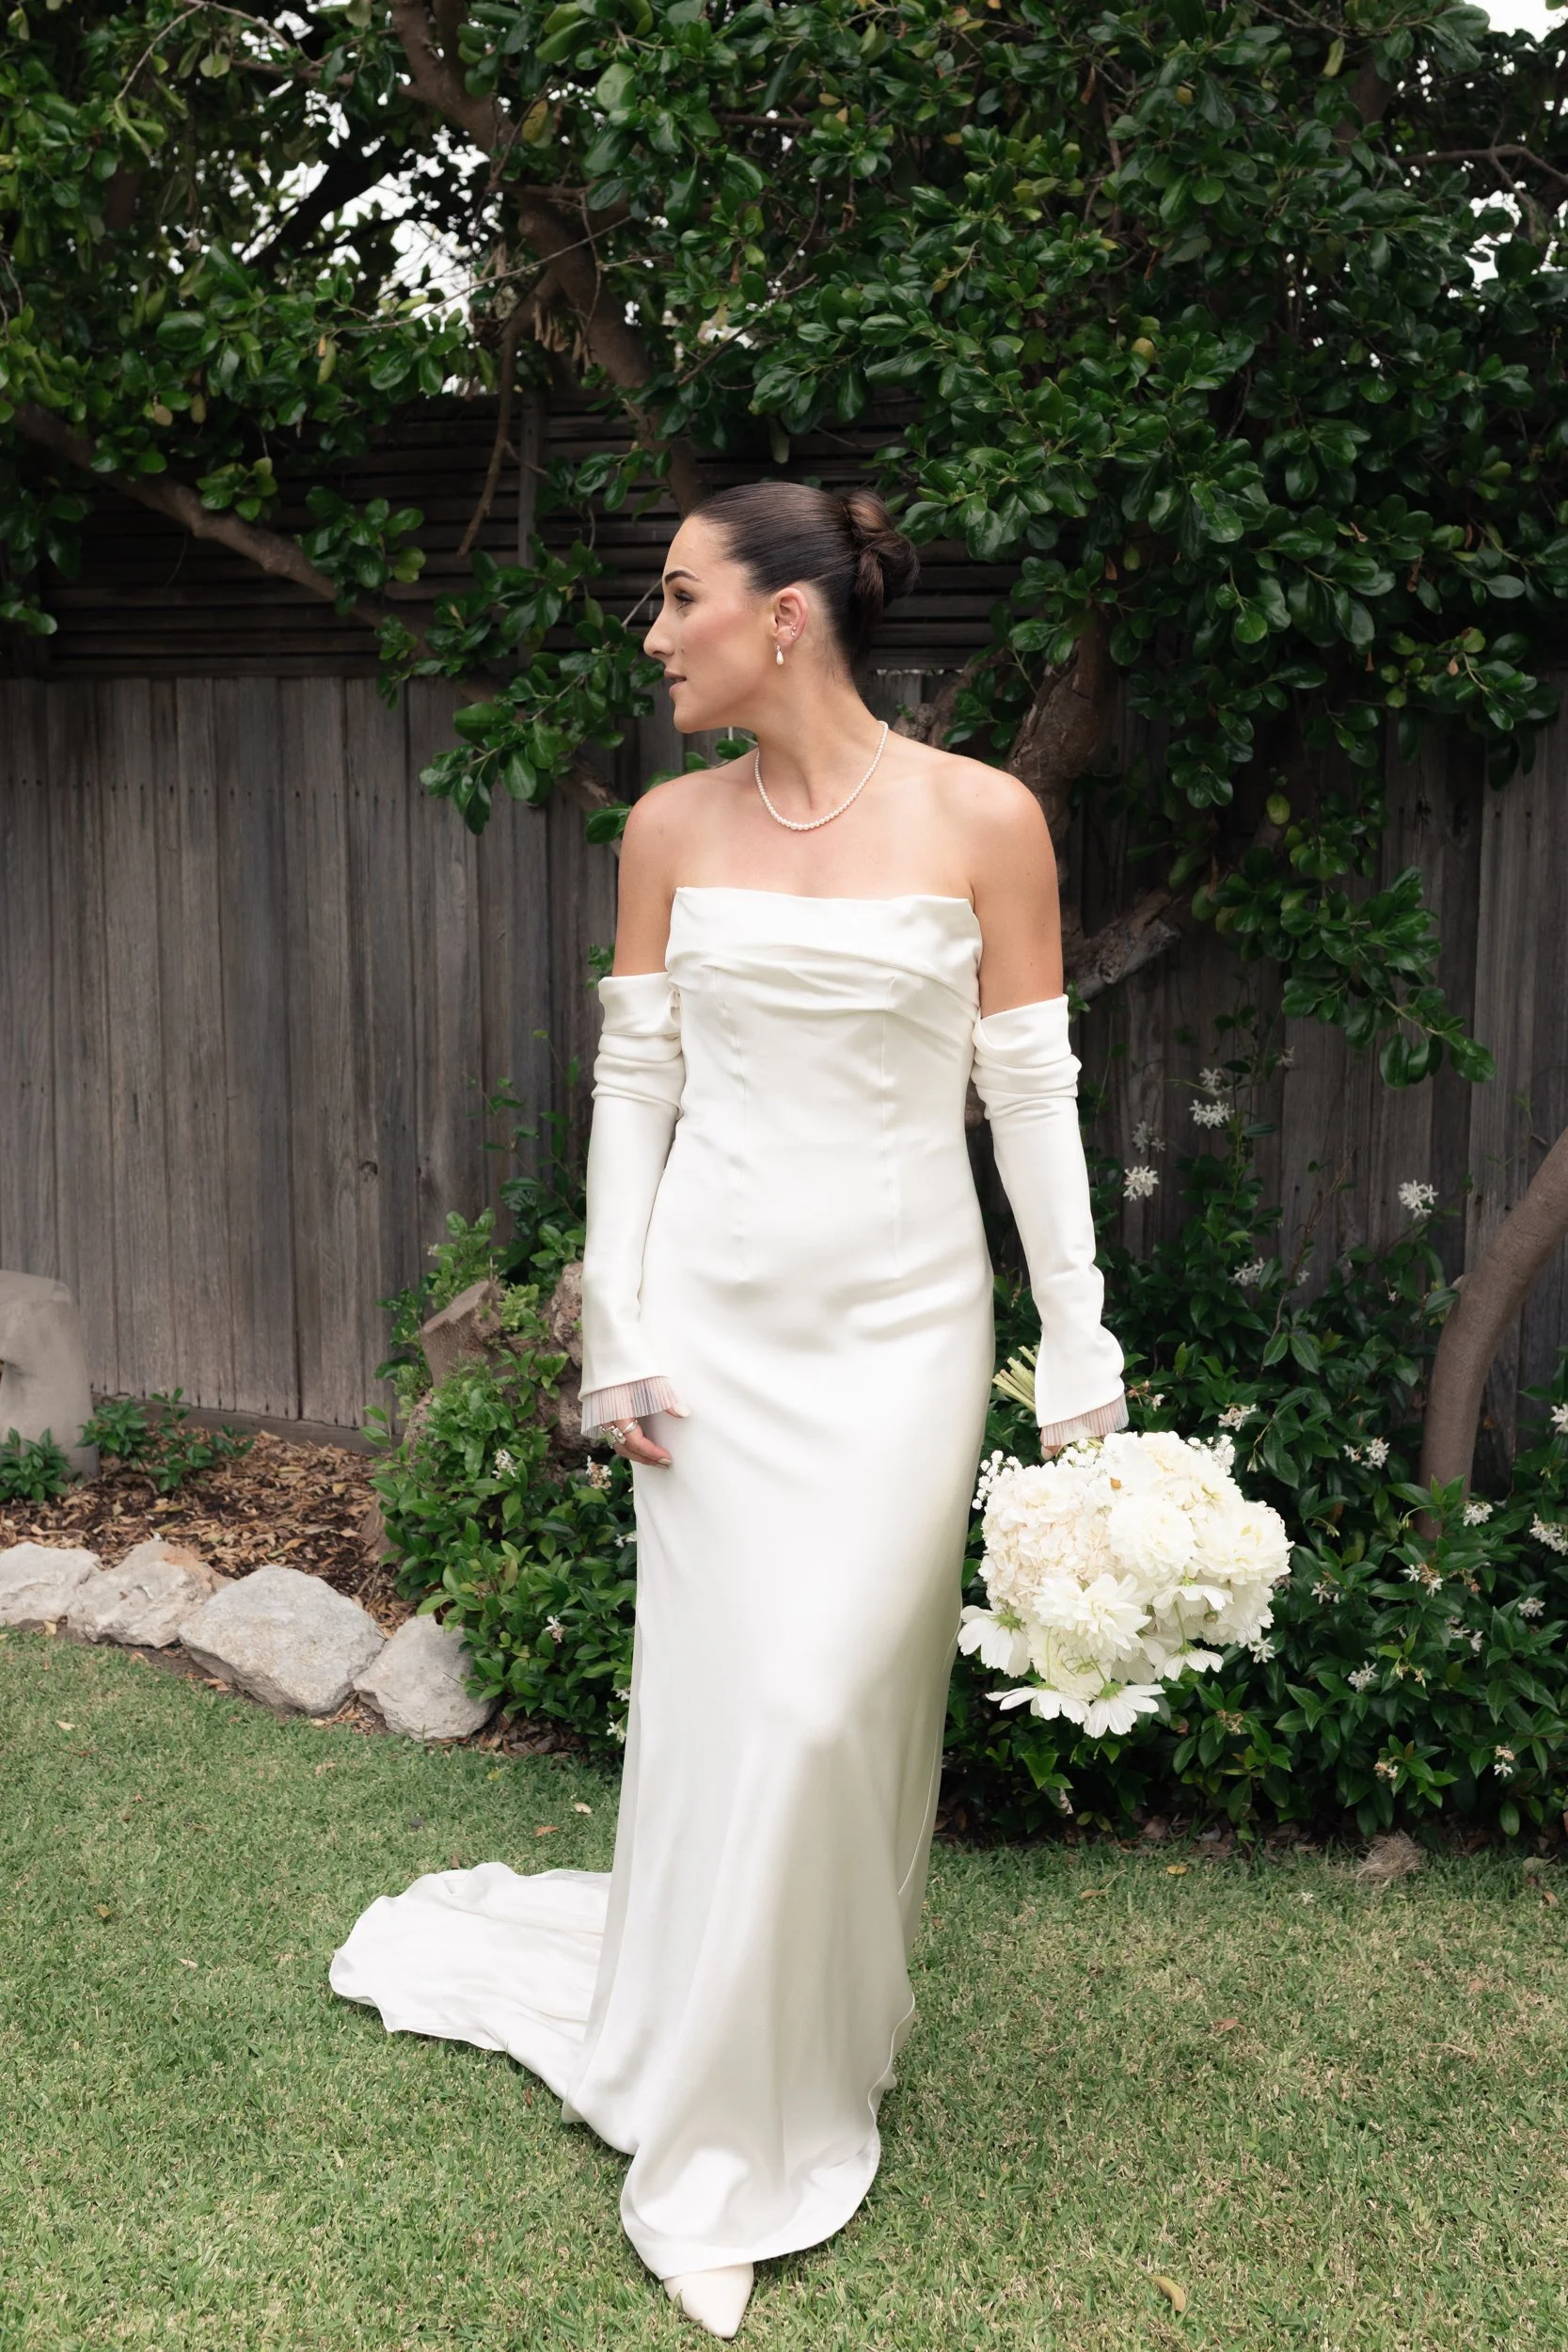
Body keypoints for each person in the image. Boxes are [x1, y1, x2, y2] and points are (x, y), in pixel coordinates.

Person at [330, 481, 1126, 2339]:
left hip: (906, 1331)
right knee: (734, 1705)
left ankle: (818, 2036)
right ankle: (712, 2134)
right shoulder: (666, 825)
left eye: (677, 596)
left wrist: (1075, 1336)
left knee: (830, 1702)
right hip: (709, 1333)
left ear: (785, 617)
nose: (652, 627)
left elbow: (1029, 1095)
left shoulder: (983, 818)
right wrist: (613, 1324)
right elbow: (631, 1090)